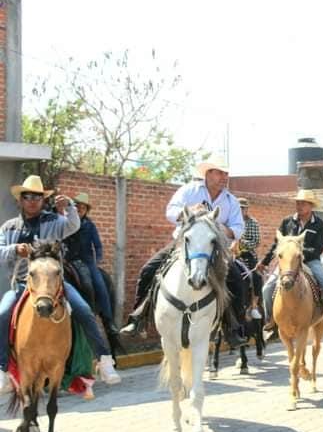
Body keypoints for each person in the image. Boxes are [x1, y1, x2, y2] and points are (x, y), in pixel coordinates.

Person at [0, 176, 121, 392]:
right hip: (22, 283)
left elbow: (73, 226)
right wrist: (14, 250)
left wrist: (70, 207)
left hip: (55, 284)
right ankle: (3, 370)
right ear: (20, 200)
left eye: (37, 196)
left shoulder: (52, 222)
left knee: (84, 310)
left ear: (42, 200)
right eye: (27, 196)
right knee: (2, 313)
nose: (32, 200)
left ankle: (104, 360)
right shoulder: (9, 227)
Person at [120, 156, 246, 342]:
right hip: (185, 244)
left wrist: (213, 226)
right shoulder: (189, 190)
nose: (224, 177)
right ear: (208, 173)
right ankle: (138, 318)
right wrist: (187, 212)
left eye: (225, 173)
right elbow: (170, 211)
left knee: (237, 279)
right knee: (148, 269)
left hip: (215, 247)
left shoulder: (231, 201)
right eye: (219, 172)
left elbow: (237, 228)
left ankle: (234, 328)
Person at [257, 189, 323, 330]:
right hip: (287, 263)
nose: (299, 206)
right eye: (298, 203)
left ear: (311, 206)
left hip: (311, 261)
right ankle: (270, 321)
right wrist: (264, 262)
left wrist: (297, 252)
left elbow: (318, 249)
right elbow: (276, 244)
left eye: (303, 203)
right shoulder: (287, 222)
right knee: (267, 288)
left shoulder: (320, 224)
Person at [64, 192, 119, 337]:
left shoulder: (90, 226)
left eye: (83, 207)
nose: (79, 209)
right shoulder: (67, 222)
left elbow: (98, 246)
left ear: (87, 210)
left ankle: (108, 321)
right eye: (77, 206)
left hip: (86, 260)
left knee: (99, 284)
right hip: (67, 259)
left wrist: (97, 260)